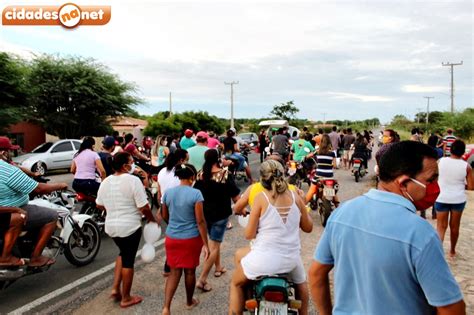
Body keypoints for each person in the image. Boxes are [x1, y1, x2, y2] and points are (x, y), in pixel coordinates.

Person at [309, 141, 465, 315]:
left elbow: (316, 275)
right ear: (404, 183)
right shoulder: (421, 233)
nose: (436, 187)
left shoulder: (342, 213)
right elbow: (451, 308)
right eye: (431, 180)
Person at [228, 160, 313, 315]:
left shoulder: (261, 198)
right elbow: (308, 228)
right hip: (290, 260)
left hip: (263, 261)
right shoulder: (295, 196)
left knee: (236, 283)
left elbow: (249, 234)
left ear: (262, 178)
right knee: (301, 284)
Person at [95, 152, 155, 308]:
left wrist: (112, 208)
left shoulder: (106, 181)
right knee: (128, 260)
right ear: (124, 165)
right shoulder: (133, 181)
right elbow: (144, 206)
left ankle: (115, 288)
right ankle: (126, 297)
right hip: (130, 227)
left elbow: (99, 204)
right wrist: (152, 219)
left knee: (122, 253)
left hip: (111, 227)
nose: (133, 163)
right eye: (131, 161)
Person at [161, 164, 210, 314]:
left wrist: (174, 225)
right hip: (191, 238)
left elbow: (164, 215)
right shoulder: (196, 194)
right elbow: (200, 221)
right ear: (192, 177)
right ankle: (189, 301)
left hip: (172, 237)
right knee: (190, 272)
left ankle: (166, 307)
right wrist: (206, 244)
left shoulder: (168, 193)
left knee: (174, 272)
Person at [0, 159, 68, 267]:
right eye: (8, 150)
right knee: (51, 216)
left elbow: (20, 170)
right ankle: (36, 257)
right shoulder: (6, 170)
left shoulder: (10, 168)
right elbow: (38, 189)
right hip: (9, 210)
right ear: (3, 152)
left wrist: (32, 174)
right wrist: (60, 185)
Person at [194, 149, 240, 292]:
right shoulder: (225, 174)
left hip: (204, 215)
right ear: (218, 158)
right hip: (220, 215)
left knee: (214, 242)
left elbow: (196, 193)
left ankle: (218, 267)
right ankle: (202, 279)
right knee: (214, 246)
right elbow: (235, 197)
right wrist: (241, 208)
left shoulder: (200, 174)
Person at [435, 140, 474, 257]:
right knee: (454, 227)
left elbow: (434, 177)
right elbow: (471, 187)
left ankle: (438, 252)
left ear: (450, 149)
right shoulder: (466, 166)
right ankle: (452, 251)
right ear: (463, 152)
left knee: (441, 227)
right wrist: (461, 183)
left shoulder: (441, 161)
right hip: (458, 199)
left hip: (441, 197)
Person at [156, 149, 189, 276]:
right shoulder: (180, 172)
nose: (187, 162)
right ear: (181, 160)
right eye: (186, 159)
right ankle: (170, 265)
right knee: (180, 236)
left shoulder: (161, 171)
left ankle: (168, 265)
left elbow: (160, 193)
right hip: (178, 207)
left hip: (165, 206)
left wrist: (160, 207)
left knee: (173, 234)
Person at [306, 134, 339, 205]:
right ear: (329, 142)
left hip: (319, 175)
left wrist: (305, 157)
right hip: (329, 175)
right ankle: (337, 206)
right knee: (332, 190)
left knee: (311, 190)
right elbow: (335, 165)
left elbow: (308, 156)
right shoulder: (332, 153)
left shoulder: (317, 151)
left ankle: (302, 206)